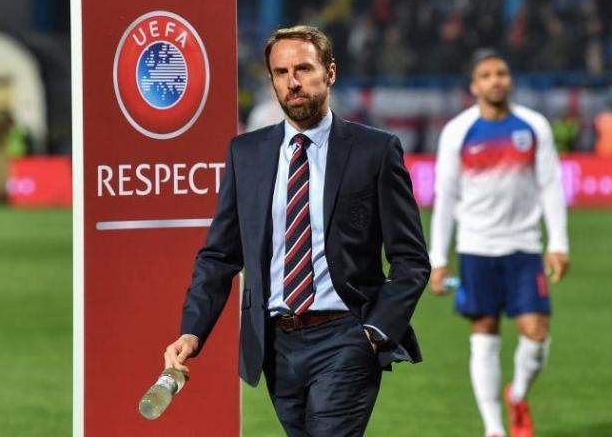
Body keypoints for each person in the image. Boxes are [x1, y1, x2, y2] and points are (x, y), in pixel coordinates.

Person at [164, 25, 430, 436]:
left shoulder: (375, 151)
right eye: (281, 72)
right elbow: (220, 254)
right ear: (271, 80)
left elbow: (411, 258)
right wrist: (192, 330)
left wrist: (375, 333)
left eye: (304, 68)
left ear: (330, 73)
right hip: (277, 346)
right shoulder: (245, 154)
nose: (293, 82)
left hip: (347, 336)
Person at [429, 49, 570, 437]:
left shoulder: (533, 126)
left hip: (524, 246)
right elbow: (446, 198)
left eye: (502, 73)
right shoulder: (458, 132)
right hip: (476, 248)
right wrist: (438, 258)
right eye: (487, 75)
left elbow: (550, 186)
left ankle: (518, 393)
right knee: (484, 332)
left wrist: (558, 242)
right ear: (474, 86)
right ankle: (494, 429)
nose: (496, 80)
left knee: (537, 333)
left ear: (509, 79)